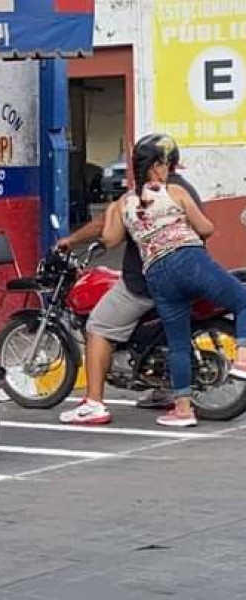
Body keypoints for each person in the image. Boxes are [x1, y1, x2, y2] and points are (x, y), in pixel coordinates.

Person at [100, 133, 246, 427]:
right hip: (188, 262)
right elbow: (206, 229)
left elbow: (110, 239)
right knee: (242, 300)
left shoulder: (123, 203)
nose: (169, 169)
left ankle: (183, 410)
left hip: (156, 275)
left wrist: (112, 211)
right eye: (166, 164)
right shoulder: (175, 192)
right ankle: (242, 358)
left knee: (178, 343)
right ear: (156, 166)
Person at [58, 134, 204, 425]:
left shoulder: (146, 193)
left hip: (146, 281)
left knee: (98, 326)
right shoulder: (184, 189)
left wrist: (70, 240)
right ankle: (165, 389)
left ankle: (94, 403)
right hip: (189, 274)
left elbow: (108, 232)